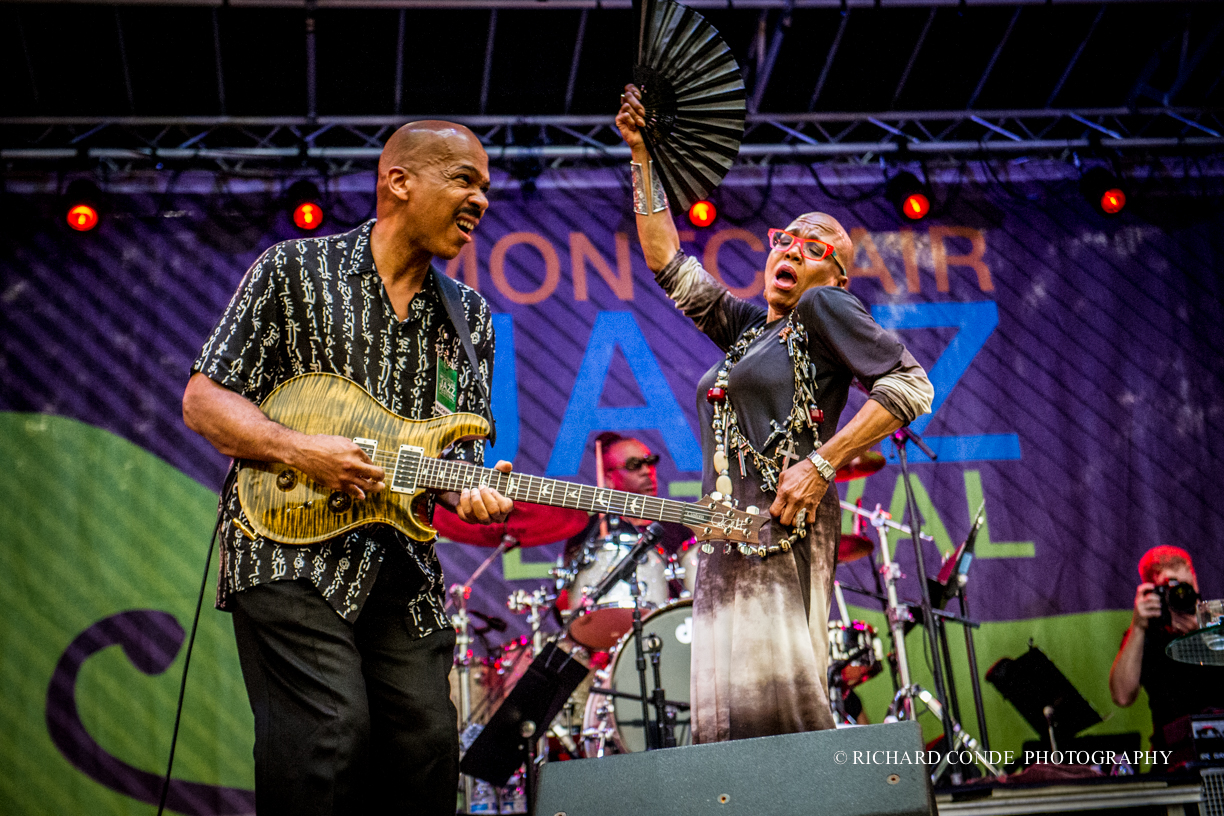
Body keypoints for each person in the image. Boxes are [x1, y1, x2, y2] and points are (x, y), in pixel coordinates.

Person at [182, 121, 514, 816]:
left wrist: (473, 490)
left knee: (426, 744)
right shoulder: (292, 270)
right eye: (465, 180)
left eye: (486, 186)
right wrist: (300, 449)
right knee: (328, 735)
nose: (483, 199)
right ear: (398, 181)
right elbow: (204, 402)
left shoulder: (471, 318)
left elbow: (460, 457)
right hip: (284, 550)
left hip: (398, 566)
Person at [616, 86, 934, 742]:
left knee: (777, 711)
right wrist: (642, 155)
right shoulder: (746, 331)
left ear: (838, 277)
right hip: (726, 535)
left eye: (815, 248)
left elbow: (911, 385)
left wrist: (823, 462)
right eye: (785, 240)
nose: (791, 251)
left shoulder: (824, 311)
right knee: (726, 724)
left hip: (779, 532)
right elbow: (664, 262)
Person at [1109, 546, 1224, 753]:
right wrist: (1137, 627)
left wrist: (1205, 630)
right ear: (1154, 592)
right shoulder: (1147, 633)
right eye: (1173, 589)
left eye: (1186, 587)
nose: (1181, 595)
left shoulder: (1216, 619)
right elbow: (1122, 696)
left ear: (1195, 580)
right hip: (1173, 757)